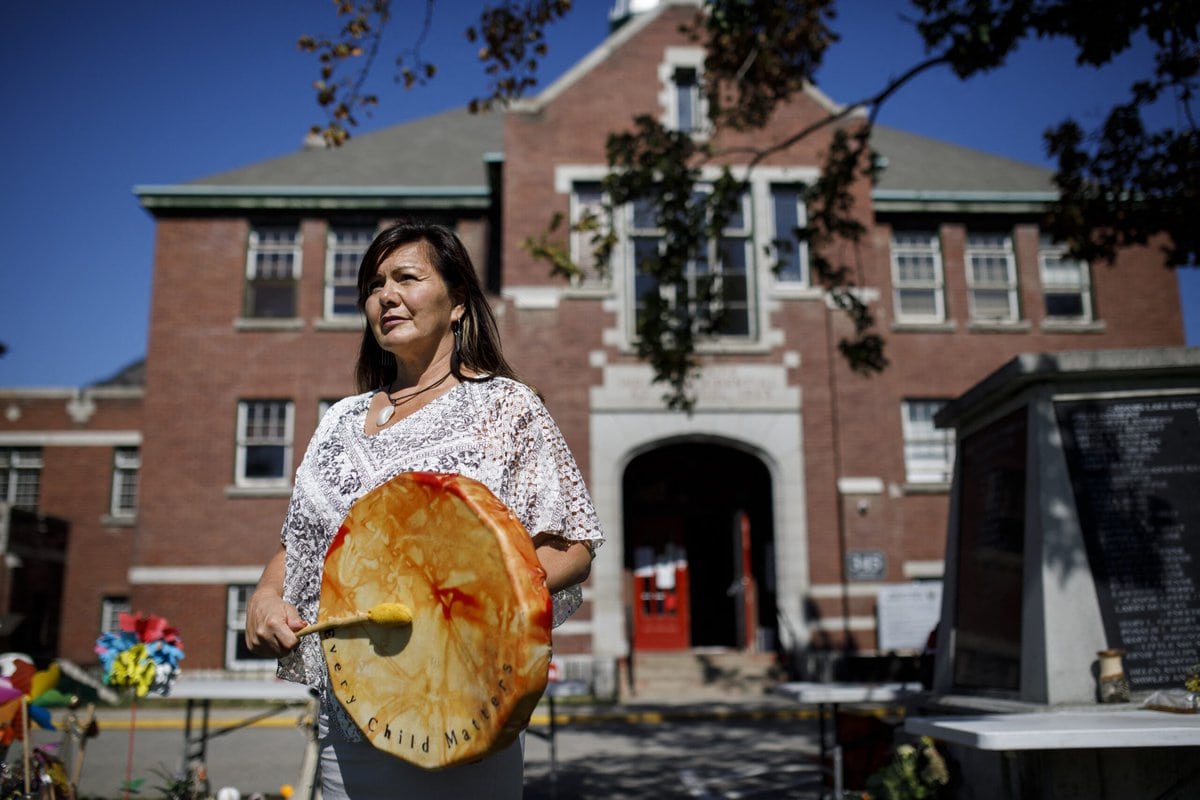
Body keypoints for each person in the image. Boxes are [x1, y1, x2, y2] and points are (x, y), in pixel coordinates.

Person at [245, 221, 603, 798]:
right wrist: (265, 598)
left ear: (457, 302)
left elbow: (572, 545)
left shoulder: (504, 407)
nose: (386, 296)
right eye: (374, 285)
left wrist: (465, 597)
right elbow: (299, 545)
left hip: (462, 713)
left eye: (406, 278)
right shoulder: (338, 422)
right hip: (350, 723)